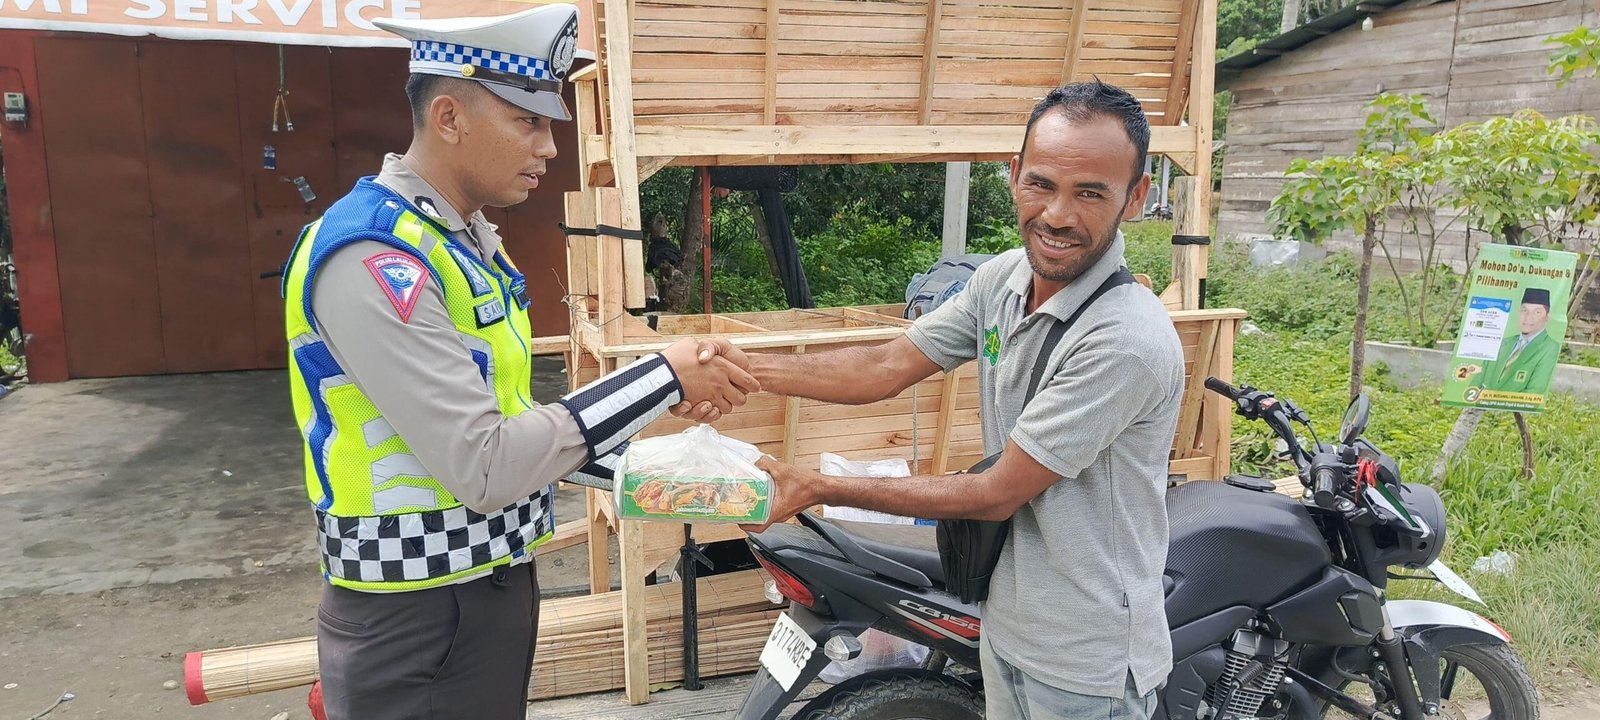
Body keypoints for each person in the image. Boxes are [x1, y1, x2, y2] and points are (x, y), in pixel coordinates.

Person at [279, 5, 757, 717]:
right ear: (449, 117)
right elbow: (487, 462)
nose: (548, 148)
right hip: (416, 616)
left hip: (485, 590)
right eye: (527, 122)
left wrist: (677, 456)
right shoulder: (375, 255)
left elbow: (512, 419)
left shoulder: (459, 240)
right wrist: (661, 376)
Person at [741, 80, 1185, 720]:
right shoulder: (1003, 280)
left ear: (1136, 197)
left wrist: (817, 487)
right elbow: (888, 365)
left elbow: (995, 492)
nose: (1058, 215)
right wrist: (747, 369)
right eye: (1041, 184)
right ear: (1013, 177)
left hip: (1085, 661)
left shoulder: (1126, 341)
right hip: (1007, 621)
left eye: (1091, 192)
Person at [1484, 287, 1560, 394]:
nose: (1528, 317)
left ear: (1547, 317)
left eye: (1537, 312)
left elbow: (1535, 390)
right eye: (1524, 310)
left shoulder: (1550, 347)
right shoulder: (1503, 342)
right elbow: (1479, 377)